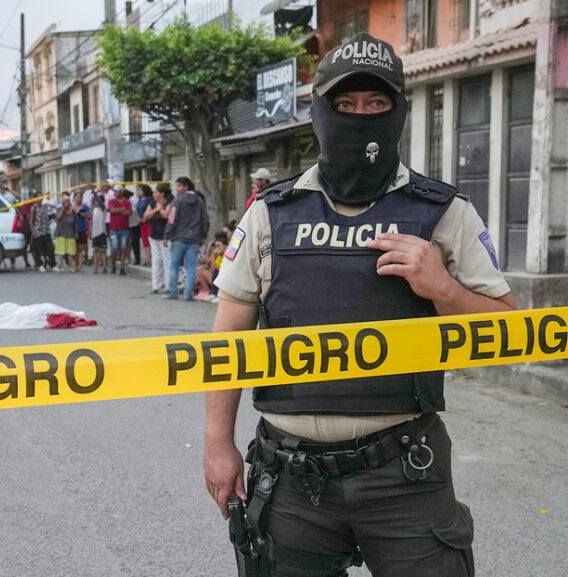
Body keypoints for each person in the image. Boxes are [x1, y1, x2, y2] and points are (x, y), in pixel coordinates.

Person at [204, 33, 515, 577]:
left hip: (405, 476)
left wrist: (442, 287)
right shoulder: (271, 213)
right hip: (290, 480)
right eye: (345, 104)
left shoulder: (444, 212)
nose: (360, 115)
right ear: (320, 110)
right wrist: (217, 444)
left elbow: (511, 332)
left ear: (398, 111)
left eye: (376, 103)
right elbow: (228, 339)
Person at [163, 176, 209, 300]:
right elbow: (205, 220)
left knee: (174, 265)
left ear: (186, 187)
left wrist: (167, 235)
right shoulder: (200, 201)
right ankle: (188, 294)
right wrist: (203, 237)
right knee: (191, 267)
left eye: (178, 186)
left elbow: (172, 219)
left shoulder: (177, 201)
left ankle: (173, 292)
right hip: (193, 238)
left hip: (178, 238)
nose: (176, 188)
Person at [143, 183, 172, 293]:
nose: (154, 194)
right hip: (154, 236)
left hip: (165, 237)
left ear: (162, 194)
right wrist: (156, 209)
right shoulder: (152, 204)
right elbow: (145, 217)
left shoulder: (169, 203)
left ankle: (168, 285)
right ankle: (156, 285)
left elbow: (166, 215)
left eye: (156, 192)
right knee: (156, 260)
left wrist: (160, 209)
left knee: (166, 261)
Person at [107, 185, 132, 275]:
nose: (115, 193)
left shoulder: (127, 202)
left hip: (124, 229)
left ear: (121, 192)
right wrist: (122, 210)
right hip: (114, 228)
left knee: (123, 248)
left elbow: (129, 213)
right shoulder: (111, 201)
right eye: (115, 191)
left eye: (117, 191)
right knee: (114, 249)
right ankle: (113, 266)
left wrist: (117, 210)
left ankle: (122, 268)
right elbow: (111, 210)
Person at [29, 191, 56, 271]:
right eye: (39, 197)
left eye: (41, 197)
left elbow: (49, 214)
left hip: (46, 229)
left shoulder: (45, 207)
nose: (40, 199)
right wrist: (33, 231)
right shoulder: (33, 208)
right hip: (38, 230)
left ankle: (52, 264)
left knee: (50, 248)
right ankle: (40, 264)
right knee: (38, 249)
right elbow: (31, 220)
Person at [53, 193, 77, 272]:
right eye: (65, 202)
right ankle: (59, 266)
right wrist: (63, 209)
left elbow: (75, 223)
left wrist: (76, 233)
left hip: (70, 234)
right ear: (62, 203)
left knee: (71, 252)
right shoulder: (59, 210)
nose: (66, 203)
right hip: (61, 233)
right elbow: (58, 218)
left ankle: (71, 266)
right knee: (60, 251)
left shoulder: (73, 211)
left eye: (68, 202)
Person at [136, 185, 155, 266]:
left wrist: (145, 218)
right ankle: (148, 259)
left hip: (149, 222)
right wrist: (138, 218)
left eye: (140, 190)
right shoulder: (140, 200)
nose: (139, 192)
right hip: (142, 223)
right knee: (145, 242)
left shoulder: (150, 200)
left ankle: (152, 258)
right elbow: (136, 210)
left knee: (150, 241)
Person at [89, 198, 108, 274]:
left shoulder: (103, 209)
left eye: (97, 201)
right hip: (95, 233)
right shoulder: (94, 210)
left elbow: (101, 203)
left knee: (103, 251)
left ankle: (104, 267)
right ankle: (95, 267)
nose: (96, 203)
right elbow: (91, 222)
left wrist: (94, 194)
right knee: (95, 251)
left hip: (102, 232)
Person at [73, 191, 90, 272]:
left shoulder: (85, 207)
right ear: (74, 198)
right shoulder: (71, 207)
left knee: (80, 249)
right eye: (76, 197)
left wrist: (85, 215)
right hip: (73, 230)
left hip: (82, 229)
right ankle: (76, 265)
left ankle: (80, 265)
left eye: (79, 197)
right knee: (74, 249)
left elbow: (90, 217)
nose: (78, 198)